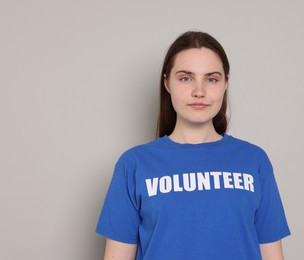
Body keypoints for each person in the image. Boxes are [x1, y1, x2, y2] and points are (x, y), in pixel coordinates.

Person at [96, 31, 291, 260]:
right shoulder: (134, 164)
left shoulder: (254, 161)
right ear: (167, 83)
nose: (199, 91)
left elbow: (272, 255)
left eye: (212, 79)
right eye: (186, 78)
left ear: (225, 84)